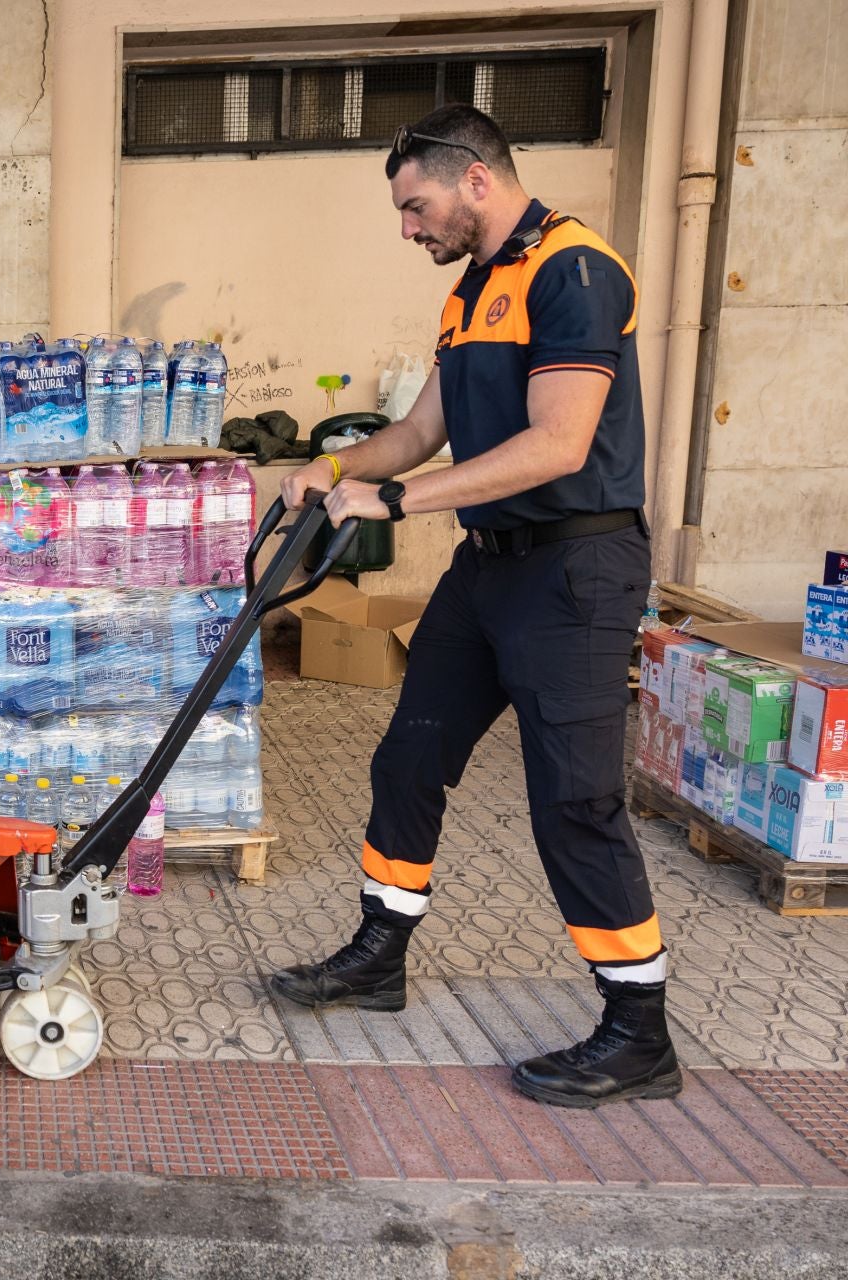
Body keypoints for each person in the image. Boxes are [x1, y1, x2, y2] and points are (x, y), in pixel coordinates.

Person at [269, 105, 673, 1108]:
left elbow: (557, 443)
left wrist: (394, 500)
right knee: (409, 755)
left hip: (575, 571)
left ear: (477, 180)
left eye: (417, 205)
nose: (409, 227)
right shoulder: (471, 294)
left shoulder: (576, 271)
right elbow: (417, 431)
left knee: (574, 802)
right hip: (490, 568)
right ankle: (379, 953)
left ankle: (638, 1029)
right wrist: (329, 466)